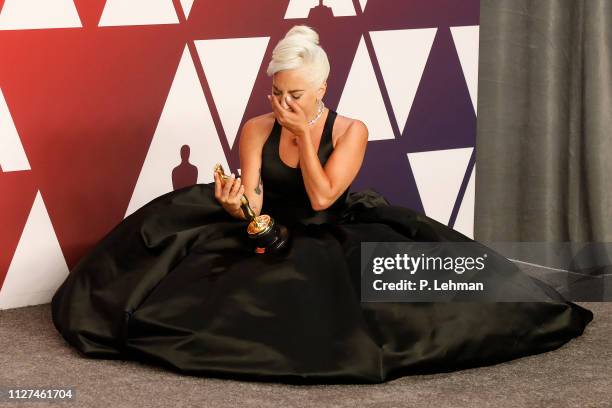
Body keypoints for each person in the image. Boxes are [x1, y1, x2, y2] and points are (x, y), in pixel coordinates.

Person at [51, 25, 593, 384]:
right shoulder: (256, 128)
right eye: (277, 93)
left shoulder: (352, 129)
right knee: (196, 280)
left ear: (322, 88)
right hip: (273, 228)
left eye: (296, 95)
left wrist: (307, 139)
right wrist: (237, 204)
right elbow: (257, 197)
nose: (284, 104)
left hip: (331, 226)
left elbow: (322, 195)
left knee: (402, 301)